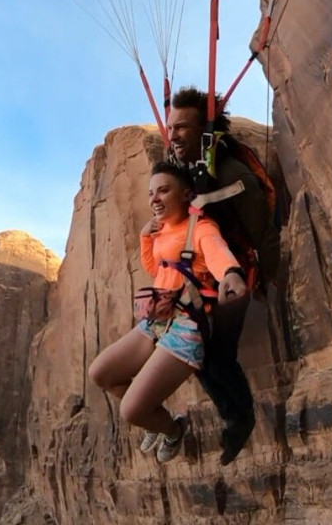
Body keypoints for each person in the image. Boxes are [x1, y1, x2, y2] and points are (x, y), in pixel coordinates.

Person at [88, 161, 248, 463]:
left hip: (187, 327)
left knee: (131, 410)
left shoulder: (200, 228)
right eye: (151, 193)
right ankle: (156, 418)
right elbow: (156, 269)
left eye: (163, 190)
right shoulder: (162, 231)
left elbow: (215, 250)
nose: (154, 199)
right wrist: (145, 238)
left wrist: (230, 272)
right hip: (157, 320)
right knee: (101, 373)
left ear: (186, 195)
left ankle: (172, 429)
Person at [166, 87, 279, 465]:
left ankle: (240, 417)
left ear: (205, 129)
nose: (174, 135)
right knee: (202, 353)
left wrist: (207, 198)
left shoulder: (226, 167)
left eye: (183, 127)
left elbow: (251, 198)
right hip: (210, 275)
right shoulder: (192, 169)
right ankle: (235, 417)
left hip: (236, 271)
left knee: (214, 353)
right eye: (171, 128)